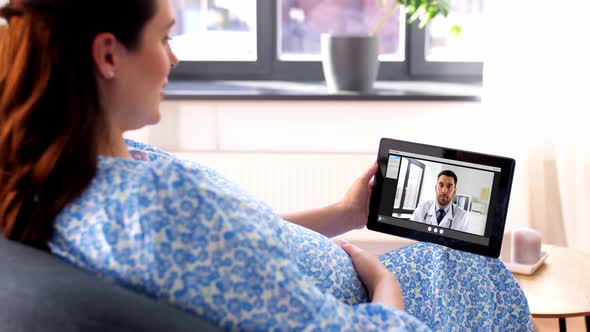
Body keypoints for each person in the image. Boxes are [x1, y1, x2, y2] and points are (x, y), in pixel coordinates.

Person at [0, 0, 532, 331]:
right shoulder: (161, 203)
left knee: (462, 260)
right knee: (475, 267)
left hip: (346, 284)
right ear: (109, 55)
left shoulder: (74, 173)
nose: (174, 57)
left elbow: (233, 245)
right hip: (375, 305)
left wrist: (341, 213)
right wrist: (383, 284)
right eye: (165, 36)